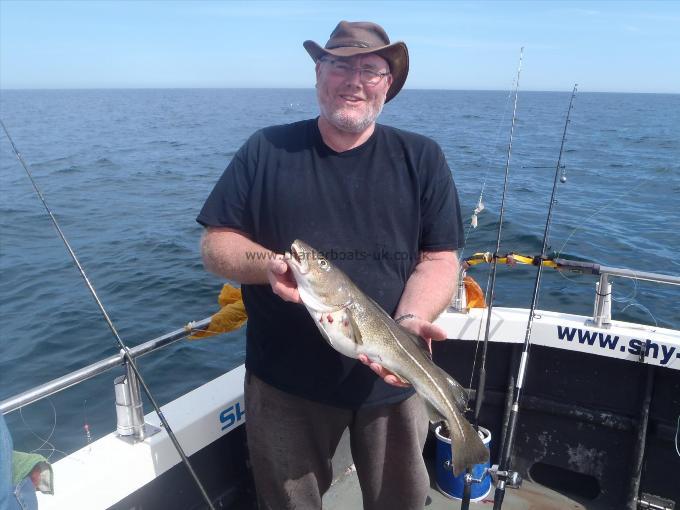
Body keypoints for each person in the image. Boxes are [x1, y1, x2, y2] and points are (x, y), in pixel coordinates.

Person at [197, 20, 464, 510]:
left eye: (370, 69)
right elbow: (216, 245)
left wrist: (409, 321)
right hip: (283, 384)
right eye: (339, 65)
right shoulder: (266, 150)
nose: (353, 80)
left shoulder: (421, 158)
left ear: (388, 84)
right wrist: (268, 264)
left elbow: (440, 258)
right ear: (318, 74)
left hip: (395, 380)